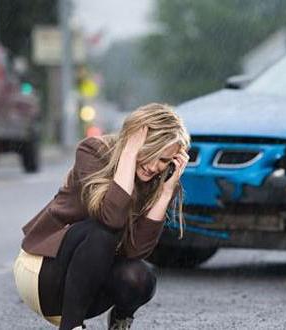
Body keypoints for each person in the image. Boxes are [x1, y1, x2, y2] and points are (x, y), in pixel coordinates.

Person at [13, 103, 190, 330]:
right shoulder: (93, 151)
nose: (155, 166)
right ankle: (71, 326)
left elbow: (135, 252)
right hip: (42, 273)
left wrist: (166, 193)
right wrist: (129, 153)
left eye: (165, 160)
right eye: (151, 153)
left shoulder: (158, 182)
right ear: (134, 141)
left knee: (141, 277)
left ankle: (119, 321)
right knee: (102, 233)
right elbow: (111, 219)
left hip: (86, 289)